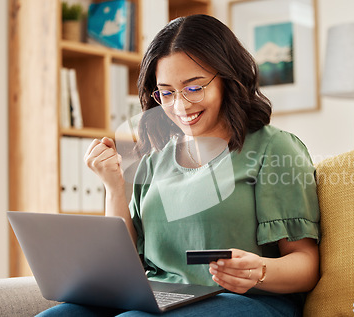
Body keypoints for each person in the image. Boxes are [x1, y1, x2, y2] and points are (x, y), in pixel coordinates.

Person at [38, 14, 320, 317]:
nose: (180, 106)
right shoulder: (154, 160)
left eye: (194, 87)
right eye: (167, 93)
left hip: (246, 301)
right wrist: (114, 187)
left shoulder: (273, 148)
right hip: (160, 297)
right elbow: (124, 265)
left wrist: (260, 270)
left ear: (227, 78)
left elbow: (305, 263)